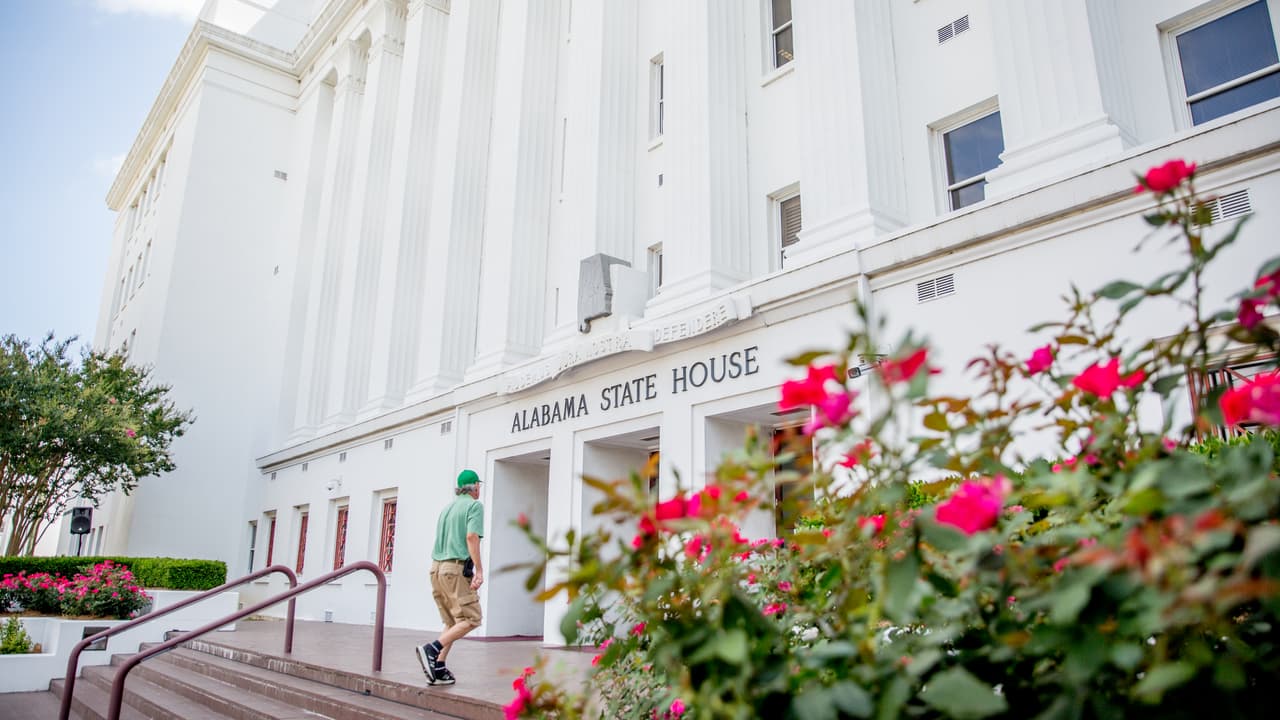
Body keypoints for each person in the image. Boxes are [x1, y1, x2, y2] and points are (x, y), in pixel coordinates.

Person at [417, 468, 485, 685]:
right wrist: (479, 569)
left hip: (436, 569)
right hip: (455, 569)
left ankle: (438, 666)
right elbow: (471, 537)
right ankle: (432, 649)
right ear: (475, 486)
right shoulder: (474, 506)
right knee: (471, 618)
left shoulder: (447, 509)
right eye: (479, 486)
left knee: (451, 621)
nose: (479, 489)